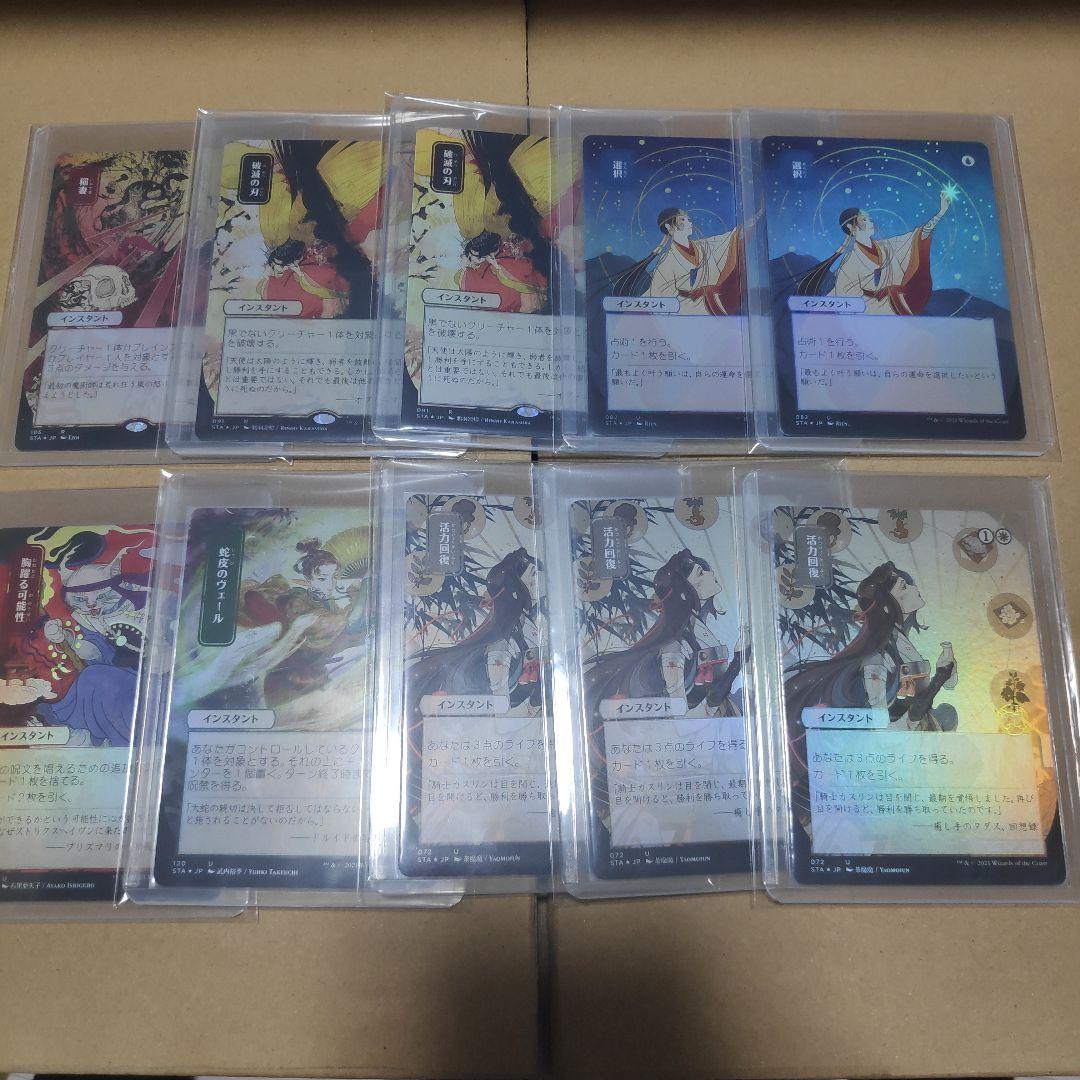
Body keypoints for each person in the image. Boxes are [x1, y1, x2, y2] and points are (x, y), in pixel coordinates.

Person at [235, 538, 368, 707]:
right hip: (288, 678)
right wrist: (364, 590)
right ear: (307, 578)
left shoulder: (327, 602)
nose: (330, 584)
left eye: (334, 577)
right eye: (322, 579)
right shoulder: (296, 600)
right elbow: (344, 624)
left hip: (315, 674)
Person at [796, 190, 952, 314]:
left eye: (869, 218)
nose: (870, 222)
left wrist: (940, 213)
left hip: (894, 305)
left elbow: (915, 237)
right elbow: (848, 303)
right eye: (864, 219)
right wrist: (879, 297)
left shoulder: (885, 247)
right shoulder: (849, 263)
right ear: (851, 227)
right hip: (871, 314)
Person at [611, 207, 744, 315]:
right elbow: (661, 298)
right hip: (685, 311)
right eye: (682, 220)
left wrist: (741, 231)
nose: (689, 223)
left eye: (688, 219)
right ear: (669, 227)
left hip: (709, 305)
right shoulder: (666, 261)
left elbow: (727, 240)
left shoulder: (703, 246)